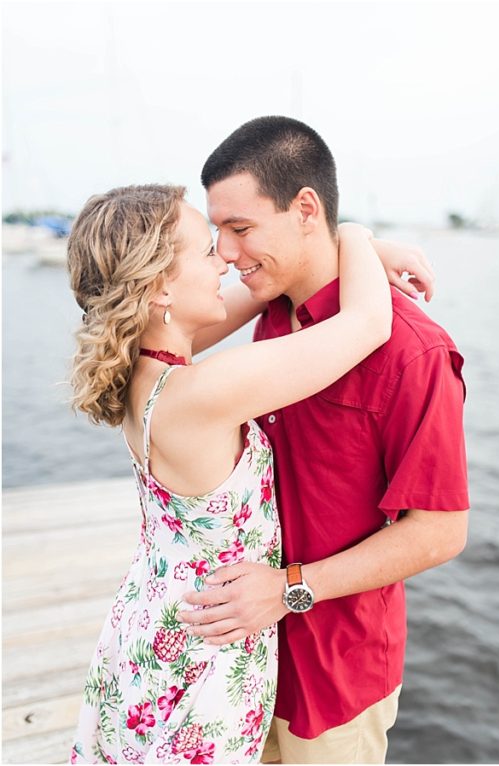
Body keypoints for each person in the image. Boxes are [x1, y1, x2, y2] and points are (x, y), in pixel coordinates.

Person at [66, 182, 425, 762]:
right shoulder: (201, 393)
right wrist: (354, 235)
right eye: (208, 250)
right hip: (203, 654)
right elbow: (366, 326)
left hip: (159, 627)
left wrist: (314, 256)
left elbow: (254, 295)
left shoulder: (142, 367)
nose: (225, 261)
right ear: (159, 285)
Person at [173, 116, 470, 764]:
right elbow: (157, 339)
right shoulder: (271, 308)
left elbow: (441, 531)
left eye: (241, 228)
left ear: (305, 208)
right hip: (243, 654)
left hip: (337, 671)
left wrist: (287, 589)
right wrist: (353, 241)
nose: (224, 251)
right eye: (217, 229)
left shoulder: (412, 351)